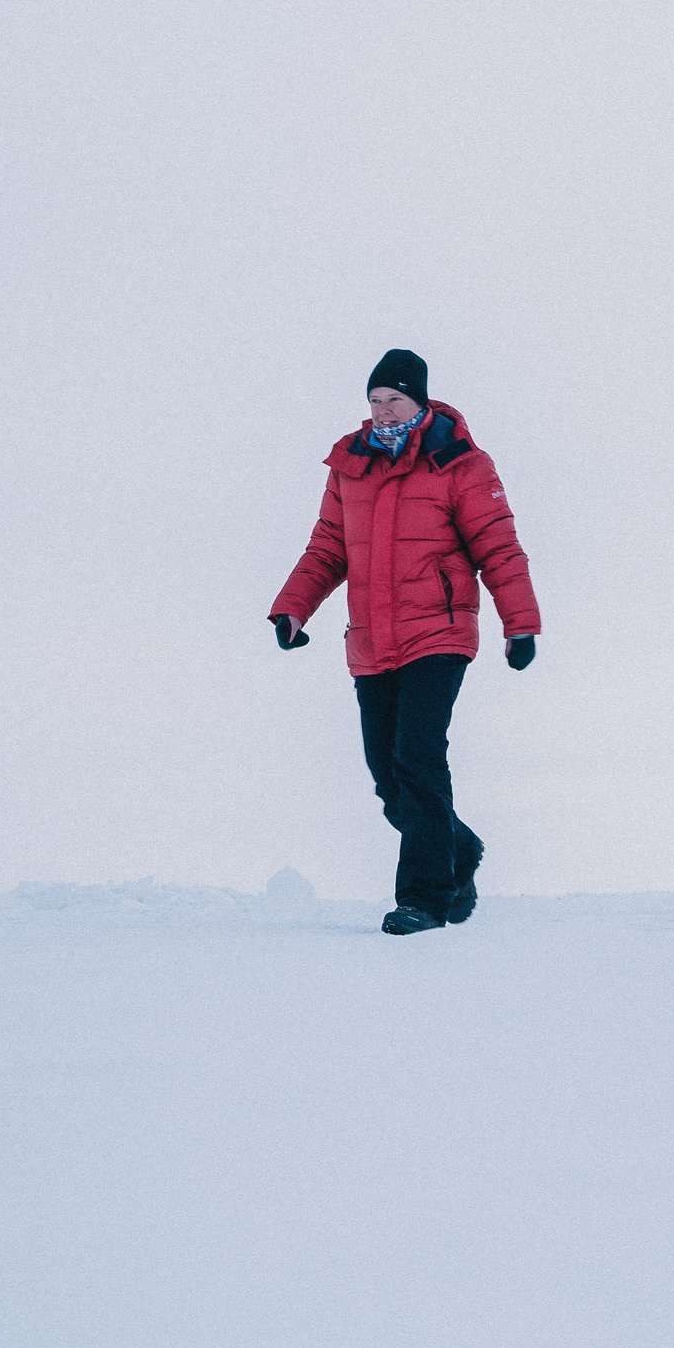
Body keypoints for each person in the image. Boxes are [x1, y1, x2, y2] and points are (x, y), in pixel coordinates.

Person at [269, 349, 542, 935]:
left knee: (417, 757)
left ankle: (422, 898)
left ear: (419, 400)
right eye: (374, 400)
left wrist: (519, 624)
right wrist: (293, 609)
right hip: (371, 639)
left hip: (438, 633)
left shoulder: (461, 464)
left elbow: (499, 549)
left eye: (394, 398)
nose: (383, 409)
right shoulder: (350, 465)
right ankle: (457, 851)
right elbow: (327, 549)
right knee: (387, 776)